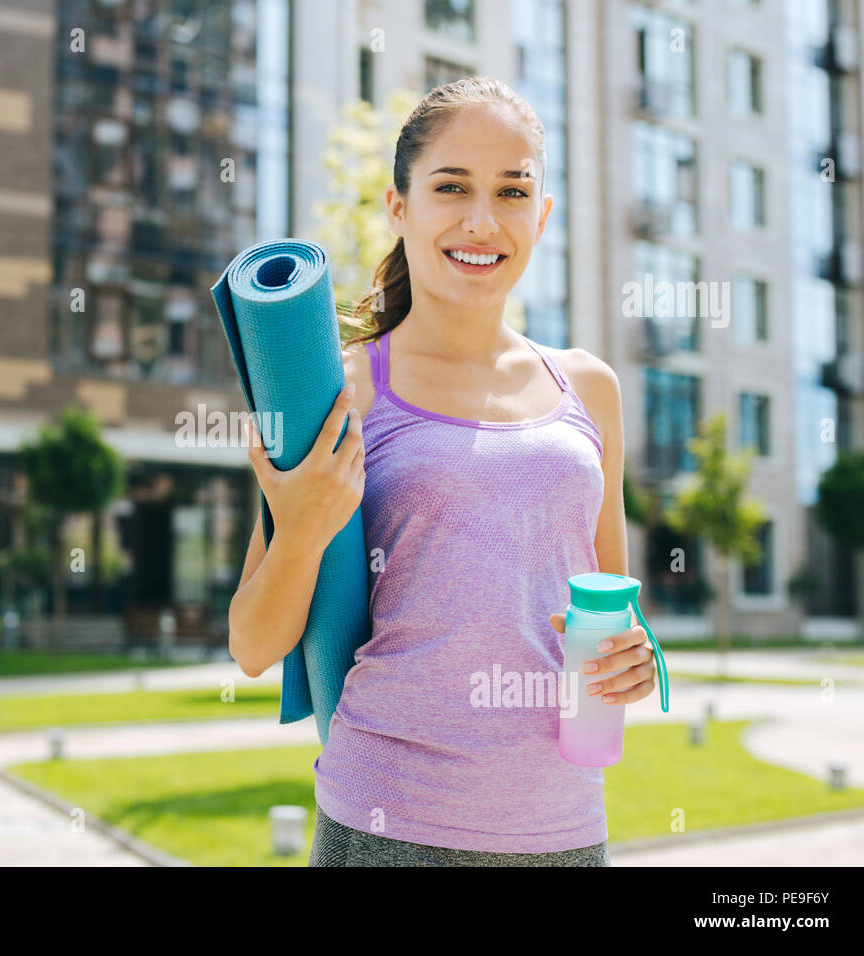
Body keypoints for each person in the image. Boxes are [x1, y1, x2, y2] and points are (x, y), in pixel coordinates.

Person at [227, 77, 659, 867]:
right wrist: (302, 527)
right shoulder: (343, 388)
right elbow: (253, 644)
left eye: (511, 191)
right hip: (387, 825)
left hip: (562, 832)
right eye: (450, 187)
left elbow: (611, 606)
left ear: (543, 216)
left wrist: (632, 657)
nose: (481, 221)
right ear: (398, 205)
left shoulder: (590, 388)